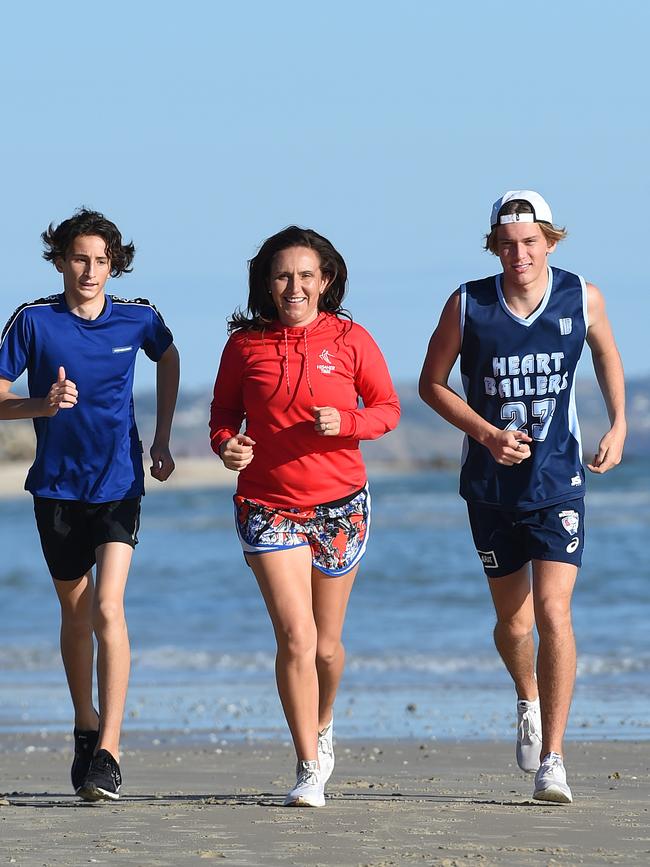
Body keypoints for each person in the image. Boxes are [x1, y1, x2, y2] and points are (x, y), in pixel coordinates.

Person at [419, 191, 626, 804]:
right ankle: (528, 701)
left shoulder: (582, 295)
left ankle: (554, 760)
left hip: (559, 478)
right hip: (489, 485)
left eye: (531, 242)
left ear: (551, 242)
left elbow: (608, 353)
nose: (519, 254)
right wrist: (484, 434)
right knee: (514, 620)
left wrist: (619, 423)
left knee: (553, 612)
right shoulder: (467, 303)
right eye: (508, 244)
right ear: (494, 246)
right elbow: (432, 384)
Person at [210, 226, 400, 807]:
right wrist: (227, 447)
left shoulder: (350, 338)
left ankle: (323, 721)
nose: (294, 286)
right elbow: (222, 419)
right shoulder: (244, 347)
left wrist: (349, 424)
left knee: (325, 648)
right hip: (268, 505)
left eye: (305, 275)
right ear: (267, 283)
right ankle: (308, 766)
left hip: (341, 504)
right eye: (282, 275)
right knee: (296, 637)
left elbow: (388, 409)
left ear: (326, 281)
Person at [0, 209, 180, 801]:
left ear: (114, 265)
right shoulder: (32, 320)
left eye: (102, 261)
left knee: (108, 609)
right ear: (60, 259)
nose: (91, 271)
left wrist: (160, 438)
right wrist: (41, 406)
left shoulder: (139, 317)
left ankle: (110, 749)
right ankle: (84, 723)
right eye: (80, 258)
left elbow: (169, 355)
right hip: (55, 489)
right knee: (76, 617)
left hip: (120, 482)